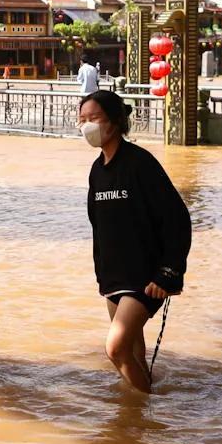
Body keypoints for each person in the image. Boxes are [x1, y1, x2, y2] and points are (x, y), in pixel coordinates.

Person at [77, 90, 191, 393]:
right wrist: (101, 272)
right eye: (82, 119)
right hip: (114, 278)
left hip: (146, 277)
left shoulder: (140, 163)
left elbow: (177, 219)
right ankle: (136, 423)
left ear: (114, 122)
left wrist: (169, 272)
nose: (87, 125)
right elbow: (97, 225)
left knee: (115, 348)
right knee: (132, 353)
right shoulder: (97, 171)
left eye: (94, 118)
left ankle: (148, 406)